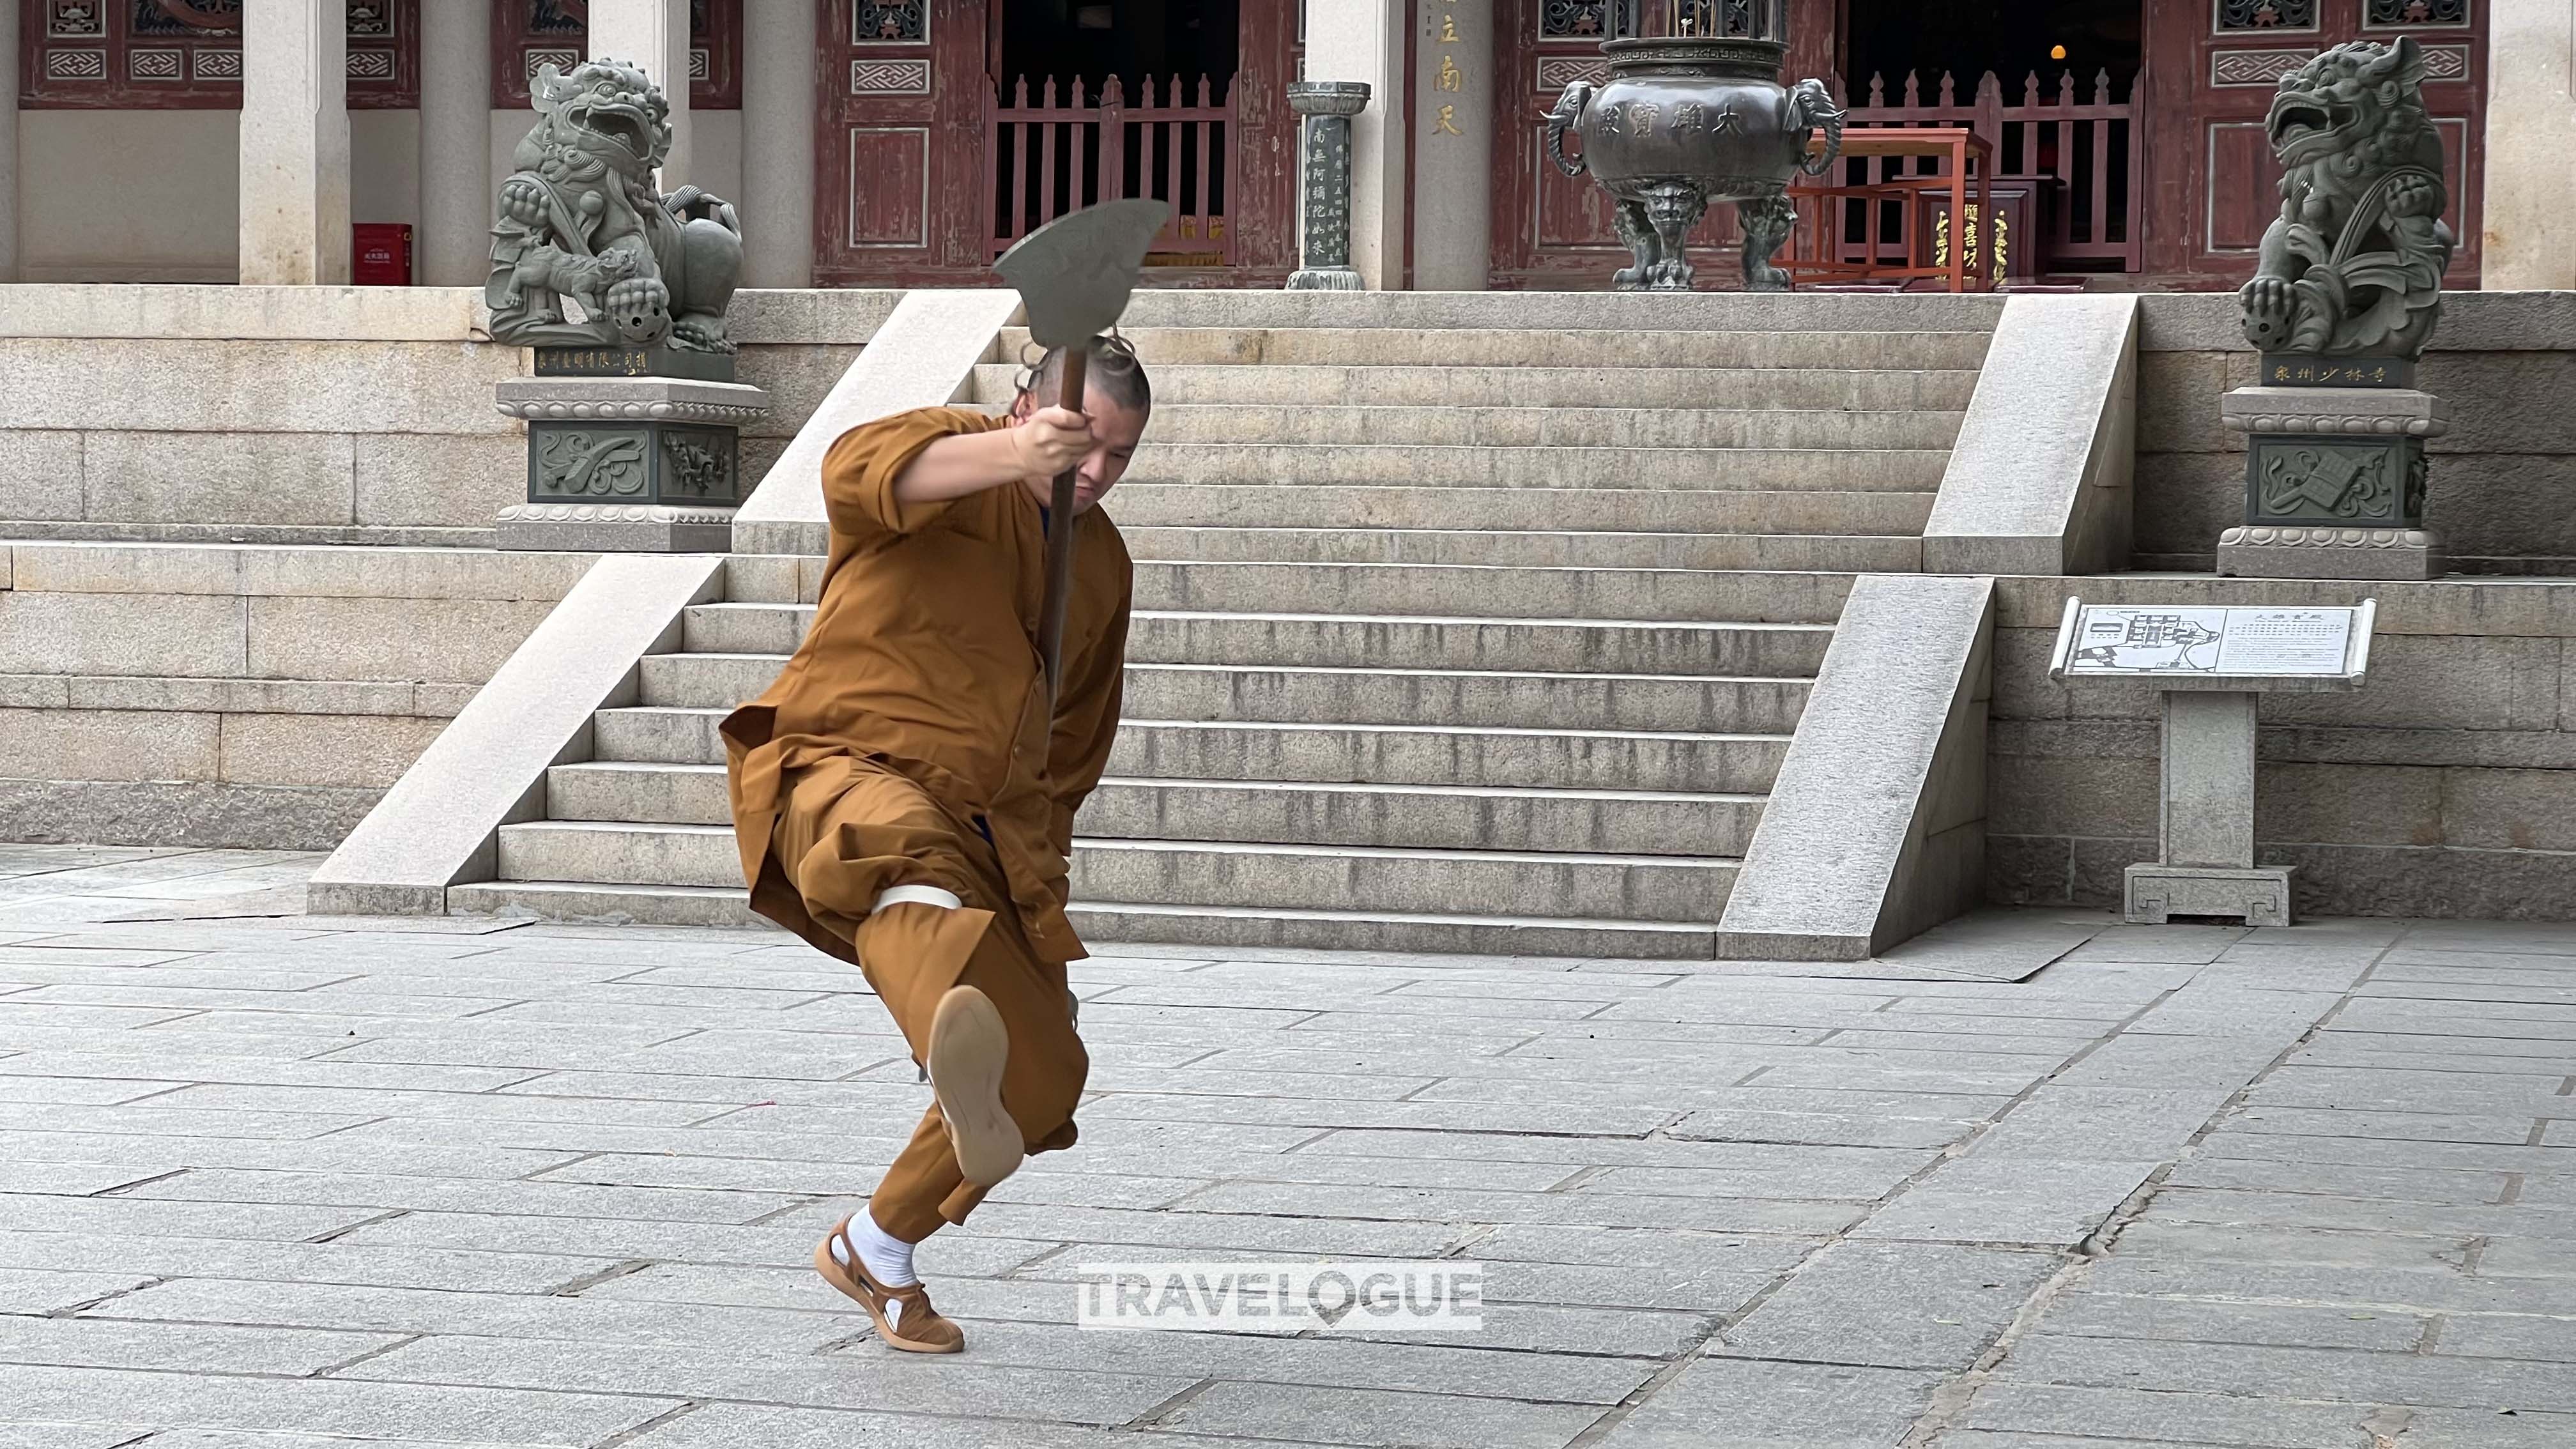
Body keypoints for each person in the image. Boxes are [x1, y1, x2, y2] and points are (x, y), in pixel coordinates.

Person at [721, 339, 1149, 1354]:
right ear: (1022, 406)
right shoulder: (954, 453)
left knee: (1046, 1077)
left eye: (1118, 456)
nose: (1093, 472)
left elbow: (1073, 742)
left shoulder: (1105, 565)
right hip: (849, 761)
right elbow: (858, 475)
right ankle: (950, 1017)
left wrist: (1042, 893)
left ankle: (877, 1246)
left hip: (992, 827)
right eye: (1081, 442)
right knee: (897, 853)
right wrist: (1015, 458)